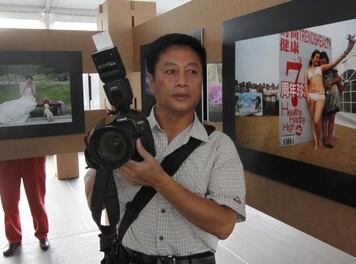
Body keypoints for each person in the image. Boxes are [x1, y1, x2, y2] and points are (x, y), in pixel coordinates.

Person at [85, 33, 245, 264]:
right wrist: (100, 157)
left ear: (201, 81)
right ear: (151, 82)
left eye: (192, 71)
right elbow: (95, 203)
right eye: (171, 71)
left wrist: (159, 180)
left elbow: (223, 226)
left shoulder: (219, 146)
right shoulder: (123, 138)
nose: (183, 81)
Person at [304, 36, 355, 149]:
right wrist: (307, 95)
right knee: (317, 120)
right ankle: (319, 141)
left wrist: (348, 49)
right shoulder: (308, 71)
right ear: (312, 59)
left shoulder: (324, 68)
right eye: (317, 58)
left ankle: (327, 139)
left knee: (322, 119)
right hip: (315, 96)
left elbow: (336, 65)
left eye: (320, 58)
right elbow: (306, 84)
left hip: (325, 96)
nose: (318, 59)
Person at [0, 157, 50, 257]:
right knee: (8, 201)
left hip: (32, 153)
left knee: (37, 198)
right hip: (4, 153)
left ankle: (42, 234)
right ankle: (13, 238)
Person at [320, 51, 342, 148]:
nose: (323, 64)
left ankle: (329, 139)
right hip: (324, 97)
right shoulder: (319, 70)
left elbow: (339, 78)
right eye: (321, 62)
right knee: (325, 118)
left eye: (324, 62)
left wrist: (331, 82)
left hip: (334, 96)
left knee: (332, 119)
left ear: (327, 60)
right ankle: (325, 139)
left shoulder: (333, 67)